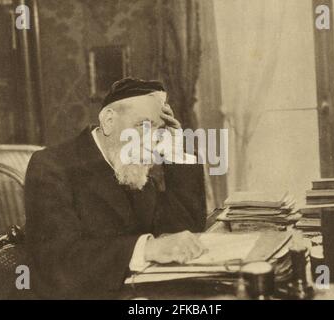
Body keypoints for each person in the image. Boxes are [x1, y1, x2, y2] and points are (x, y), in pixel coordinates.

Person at [24, 78, 207, 299]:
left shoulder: (135, 172)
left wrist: (178, 151)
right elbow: (59, 263)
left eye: (159, 131)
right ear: (109, 121)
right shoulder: (51, 166)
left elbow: (183, 231)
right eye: (143, 126)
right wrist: (147, 248)